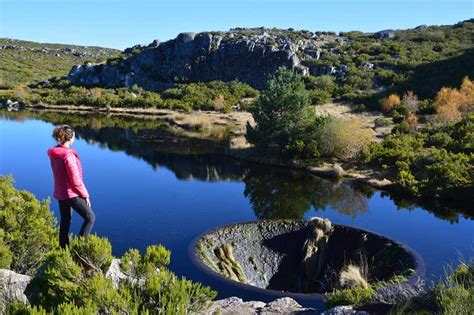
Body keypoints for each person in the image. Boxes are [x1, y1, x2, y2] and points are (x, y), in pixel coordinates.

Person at [47, 125, 95, 248]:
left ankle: (63, 250)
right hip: (70, 194)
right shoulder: (67, 155)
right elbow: (76, 180)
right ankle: (80, 248)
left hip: (61, 194)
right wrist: (85, 195)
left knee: (65, 221)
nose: (74, 137)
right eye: (73, 136)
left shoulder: (55, 152)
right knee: (90, 217)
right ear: (69, 138)